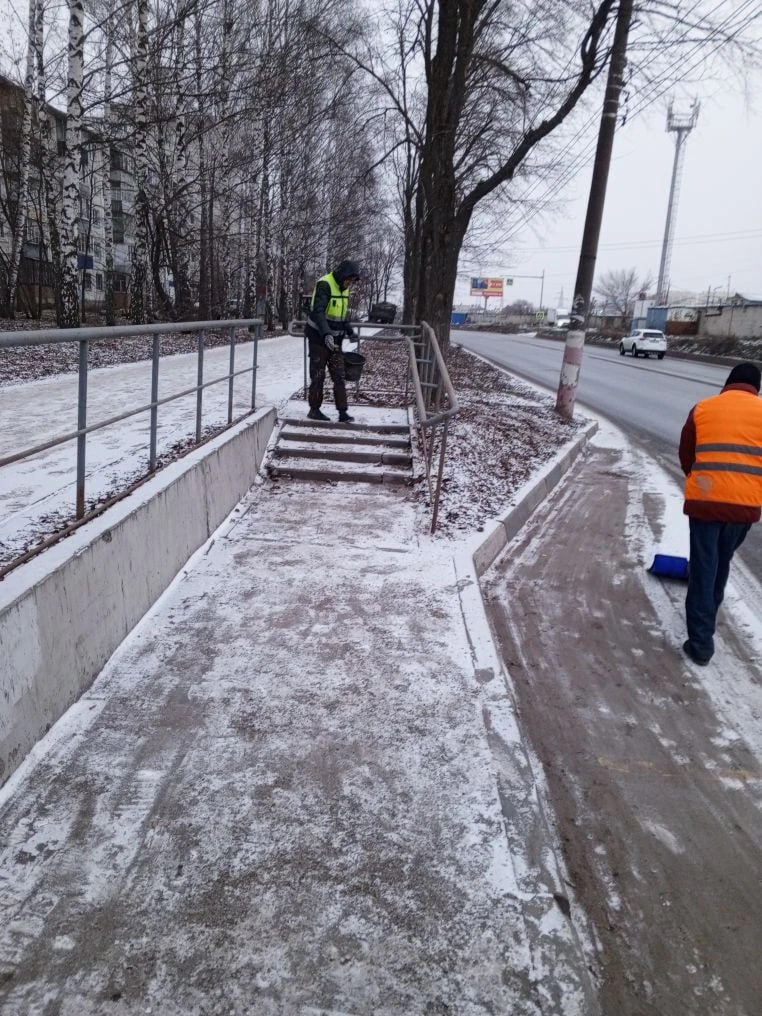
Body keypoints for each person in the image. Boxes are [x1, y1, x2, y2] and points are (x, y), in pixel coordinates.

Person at [679, 361, 762, 665]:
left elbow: (686, 454)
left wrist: (701, 482)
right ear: (757, 388)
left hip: (705, 502)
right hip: (743, 508)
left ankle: (701, 644)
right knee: (720, 561)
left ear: (728, 383)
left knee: (704, 567)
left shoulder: (703, 408)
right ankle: (707, 618)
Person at [304, 259, 361, 422]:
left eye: (352, 282)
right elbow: (318, 312)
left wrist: (350, 331)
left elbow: (341, 315)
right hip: (318, 337)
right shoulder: (325, 284)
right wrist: (326, 334)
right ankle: (314, 410)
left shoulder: (345, 290)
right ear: (343, 275)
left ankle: (343, 412)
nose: (350, 284)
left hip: (335, 340)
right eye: (349, 280)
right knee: (318, 375)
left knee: (339, 375)